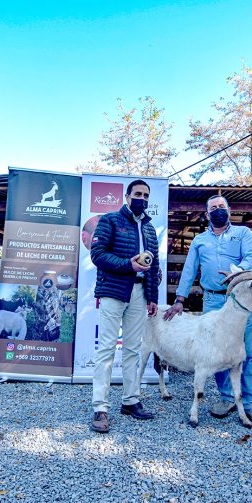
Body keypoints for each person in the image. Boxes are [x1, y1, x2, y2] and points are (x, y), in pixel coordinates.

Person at [164, 195, 252, 428]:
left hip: (240, 300)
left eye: (222, 207)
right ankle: (226, 398)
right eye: (213, 208)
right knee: (216, 352)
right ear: (207, 214)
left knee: (248, 352)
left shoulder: (243, 233)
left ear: (229, 210)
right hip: (212, 301)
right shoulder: (199, 240)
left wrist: (237, 271)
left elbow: (250, 258)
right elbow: (190, 269)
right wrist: (179, 299)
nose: (218, 210)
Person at [89, 179, 160, 434]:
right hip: (114, 290)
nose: (142, 198)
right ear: (127, 196)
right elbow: (97, 255)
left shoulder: (150, 229)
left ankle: (130, 401)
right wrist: (127, 265)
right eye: (138, 193)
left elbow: (155, 266)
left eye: (146, 195)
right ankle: (100, 407)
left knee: (133, 349)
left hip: (141, 293)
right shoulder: (110, 220)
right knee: (107, 348)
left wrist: (153, 296)